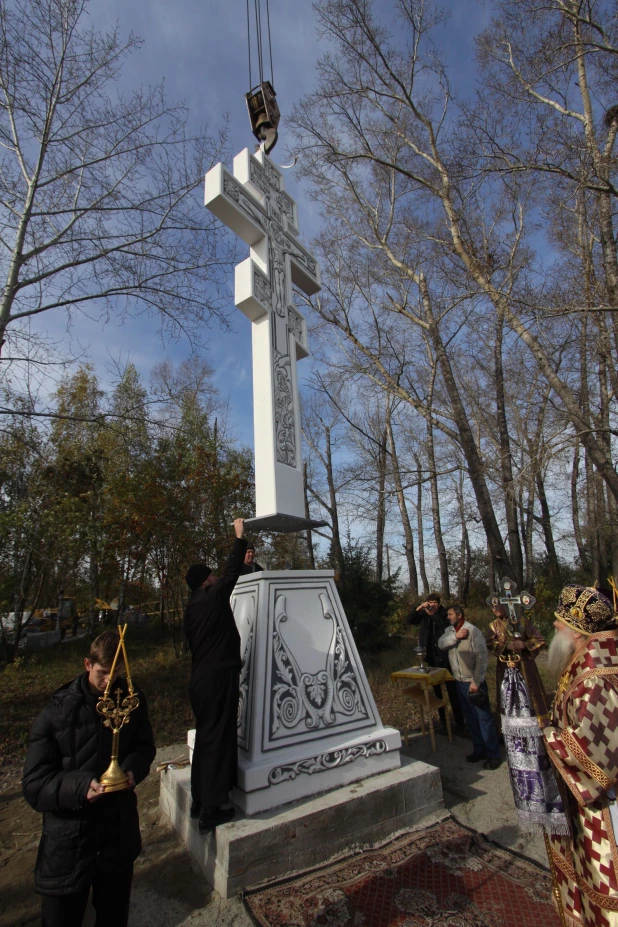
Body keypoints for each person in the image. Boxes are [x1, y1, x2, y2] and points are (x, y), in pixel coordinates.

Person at [22, 630, 155, 927]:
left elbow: (144, 747)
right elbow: (33, 784)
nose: (109, 681)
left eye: (116, 673)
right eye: (102, 673)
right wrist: (82, 787)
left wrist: (132, 770)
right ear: (87, 664)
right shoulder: (57, 713)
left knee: (113, 917)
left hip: (116, 836)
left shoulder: (131, 701)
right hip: (69, 844)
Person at [541, 584, 618, 927]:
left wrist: (547, 737)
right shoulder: (594, 657)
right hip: (586, 798)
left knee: (606, 875)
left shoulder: (594, 677)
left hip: (603, 805)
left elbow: (595, 748)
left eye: (560, 621)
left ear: (576, 630)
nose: (555, 626)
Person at [184, 517, 247, 835]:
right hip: (218, 678)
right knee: (217, 740)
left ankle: (199, 802)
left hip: (200, 681)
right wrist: (239, 538)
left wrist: (244, 557)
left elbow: (231, 577)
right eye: (209, 574)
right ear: (204, 582)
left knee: (207, 738)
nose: (214, 576)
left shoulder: (193, 607)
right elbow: (230, 576)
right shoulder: (210, 597)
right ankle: (212, 809)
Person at [438, 605, 501, 769]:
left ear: (459, 615)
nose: (448, 617)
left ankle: (493, 754)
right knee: (470, 718)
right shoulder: (450, 631)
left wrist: (476, 681)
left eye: (450, 614)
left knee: (484, 718)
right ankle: (479, 749)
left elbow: (482, 658)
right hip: (459, 681)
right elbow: (441, 644)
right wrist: (455, 637)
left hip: (473, 682)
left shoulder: (472, 631)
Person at [407, 593, 465, 732]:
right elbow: (410, 620)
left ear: (438, 603)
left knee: (453, 692)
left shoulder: (445, 614)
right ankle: (444, 723)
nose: (431, 605)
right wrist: (420, 607)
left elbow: (444, 626)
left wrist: (433, 614)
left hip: (446, 658)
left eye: (434, 602)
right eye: (429, 602)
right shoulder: (424, 614)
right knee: (438, 692)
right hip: (431, 657)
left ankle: (460, 723)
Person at [486, 601, 546, 722]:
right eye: (493, 607)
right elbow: (489, 643)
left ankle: (538, 723)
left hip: (524, 665)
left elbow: (540, 639)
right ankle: (509, 726)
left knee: (531, 693)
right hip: (505, 666)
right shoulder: (493, 625)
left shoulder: (522, 622)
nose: (495, 609)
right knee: (508, 696)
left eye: (497, 606)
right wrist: (506, 646)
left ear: (506, 605)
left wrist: (525, 644)